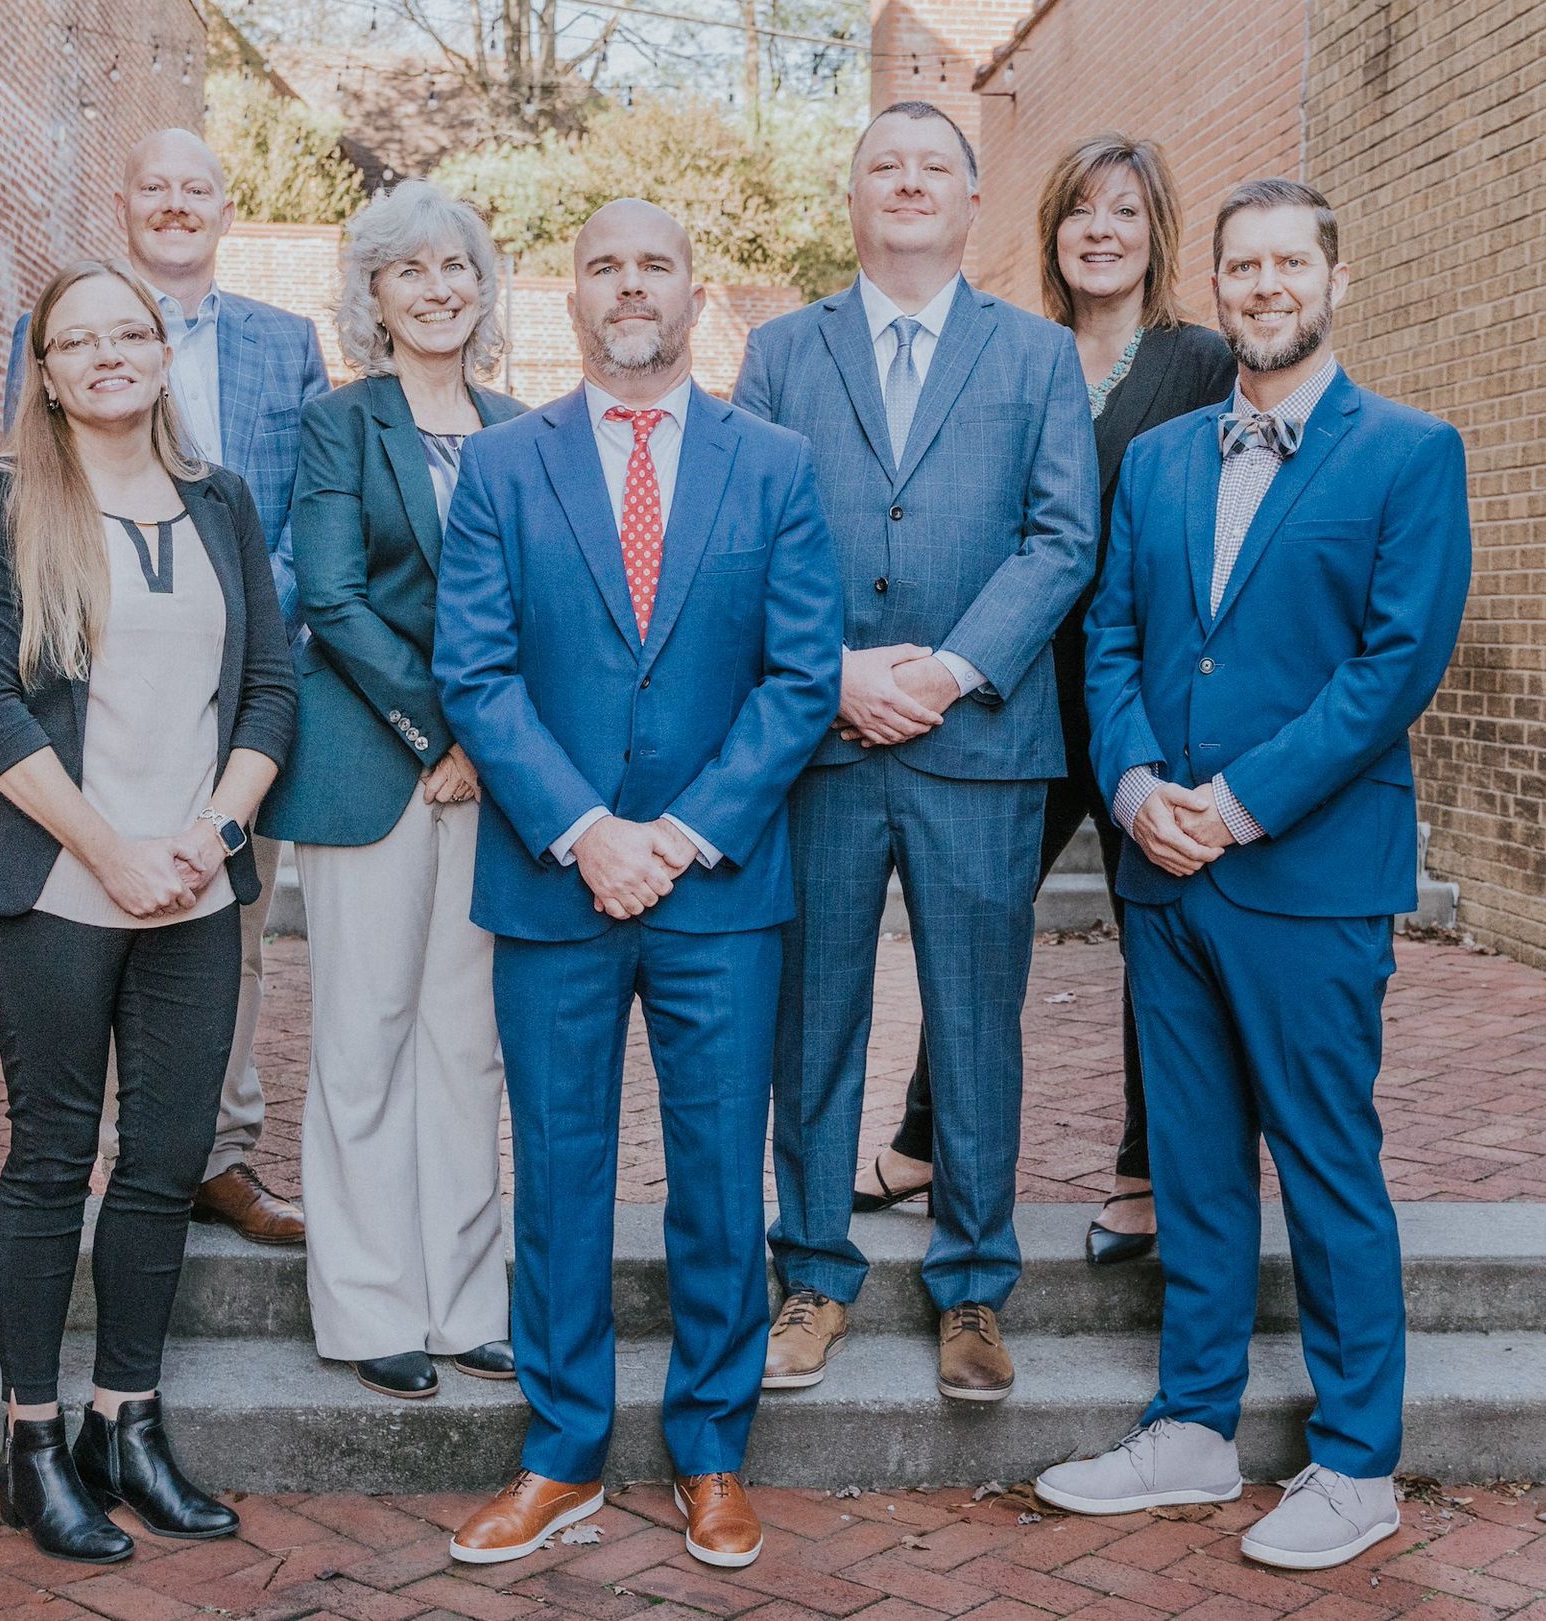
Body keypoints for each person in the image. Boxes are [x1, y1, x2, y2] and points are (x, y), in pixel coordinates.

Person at [1034, 180, 1471, 1571]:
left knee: (1328, 1164)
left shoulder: (1410, 454)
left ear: (1336, 275)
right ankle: (1191, 1428)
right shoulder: (1157, 460)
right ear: (1214, 285)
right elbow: (1110, 636)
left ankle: (1357, 1462)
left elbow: (1392, 666)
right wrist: (1139, 782)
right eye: (1243, 265)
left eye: (1291, 261)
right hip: (1165, 876)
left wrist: (1235, 802)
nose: (1265, 283)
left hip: (1310, 876)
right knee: (1199, 1167)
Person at [434, 199, 842, 1569]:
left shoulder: (776, 465)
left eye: (653, 263)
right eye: (601, 263)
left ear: (695, 289)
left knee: (722, 1180)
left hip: (719, 888)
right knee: (558, 1176)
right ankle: (561, 1455)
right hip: (555, 886)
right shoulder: (500, 466)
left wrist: (678, 833)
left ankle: (713, 1450)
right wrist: (584, 829)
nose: (628, 285)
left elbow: (801, 678)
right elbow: (475, 673)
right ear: (570, 297)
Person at [734, 102, 1096, 1400]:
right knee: (813, 1019)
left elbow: (1061, 540)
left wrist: (943, 671)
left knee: (976, 1024)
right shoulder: (781, 351)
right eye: (884, 164)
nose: (907, 182)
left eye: (932, 166)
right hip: (819, 746)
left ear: (971, 202)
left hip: (982, 744)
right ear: (852, 196)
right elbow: (744, 533)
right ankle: (813, 1276)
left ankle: (975, 1288)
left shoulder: (1036, 357)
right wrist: (831, 673)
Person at [0, 259, 295, 1564]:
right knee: (50, 1158)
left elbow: (268, 690)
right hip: (52, 882)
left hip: (194, 886)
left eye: (127, 334)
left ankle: (124, 1419)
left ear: (161, 351)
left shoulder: (222, 499)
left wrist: (206, 838)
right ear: (44, 370)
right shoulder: (0, 501)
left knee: (160, 1163)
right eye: (74, 341)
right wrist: (112, 852)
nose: (105, 356)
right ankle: (32, 1438)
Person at [855, 133, 1235, 1267]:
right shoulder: (1014, 352)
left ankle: (1146, 1163)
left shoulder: (1198, 362)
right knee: (975, 926)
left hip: (1139, 697)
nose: (1101, 231)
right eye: (1080, 211)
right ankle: (925, 1138)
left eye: (1125, 211)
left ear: (1156, 231)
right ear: (1052, 232)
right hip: (1013, 690)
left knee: (1151, 930)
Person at [5, 127, 326, 1246]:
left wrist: (246, 609)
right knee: (86, 923)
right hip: (95, 691)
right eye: (157, 188)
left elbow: (307, 509)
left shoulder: (287, 343)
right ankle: (106, 1152)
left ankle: (216, 1152)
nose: (177, 204)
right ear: (126, 204)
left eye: (199, 189)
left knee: (223, 933)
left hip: (246, 693)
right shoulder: (55, 332)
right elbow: (29, 489)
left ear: (229, 210)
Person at [261, 181, 525, 1400]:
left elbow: (550, 612)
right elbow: (332, 599)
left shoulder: (525, 428)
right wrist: (439, 736)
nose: (437, 287)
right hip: (374, 763)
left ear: (483, 286)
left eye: (456, 266)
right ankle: (369, 1304)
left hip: (498, 781)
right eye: (409, 270)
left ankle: (465, 1298)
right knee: (364, 1039)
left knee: (467, 1045)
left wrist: (496, 748)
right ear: (374, 294)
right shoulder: (339, 423)